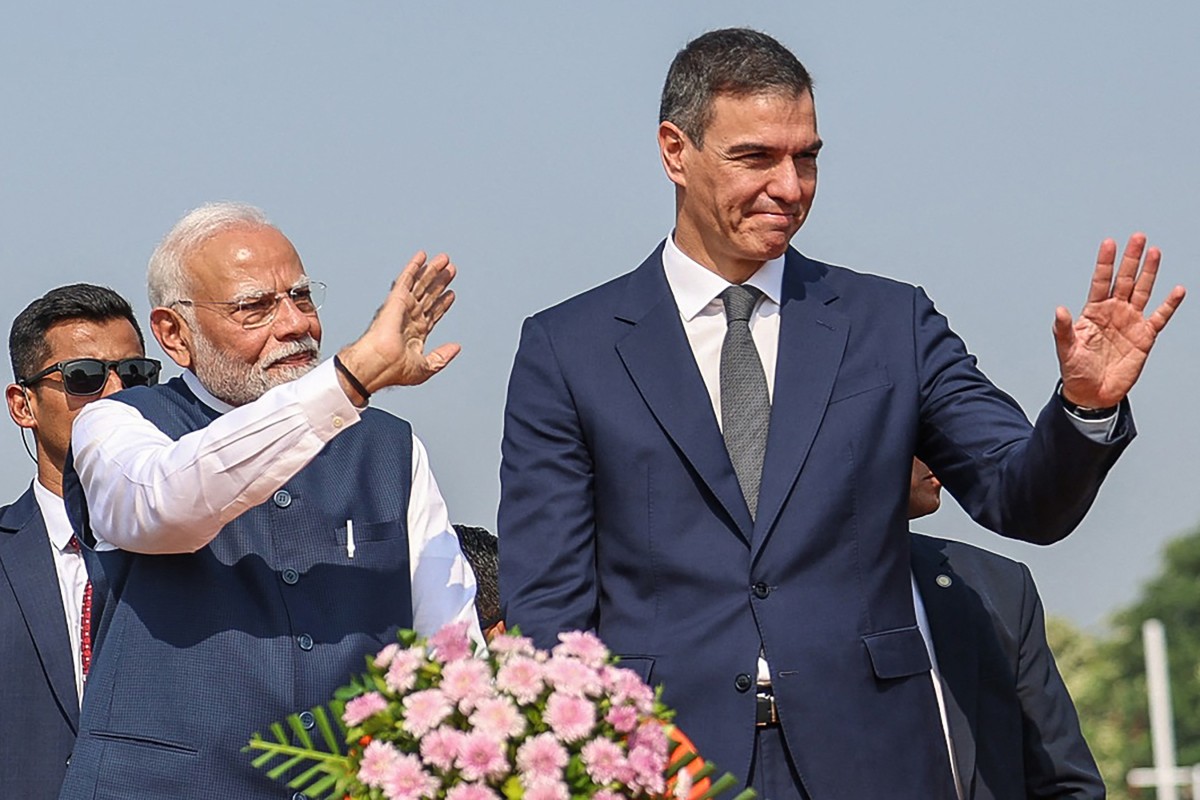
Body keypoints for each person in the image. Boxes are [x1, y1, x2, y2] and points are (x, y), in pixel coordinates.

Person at [498, 27, 1184, 799]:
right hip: (660, 764)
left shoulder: (891, 322)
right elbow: (548, 608)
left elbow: (1019, 496)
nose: (790, 187)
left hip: (876, 759)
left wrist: (1084, 408)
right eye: (756, 156)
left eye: (808, 156)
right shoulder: (569, 348)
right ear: (674, 152)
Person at [58, 202, 481, 799]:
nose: (294, 325)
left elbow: (452, 651)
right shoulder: (116, 426)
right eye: (255, 307)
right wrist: (346, 381)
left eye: (303, 299)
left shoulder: (389, 448)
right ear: (174, 335)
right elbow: (168, 506)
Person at [1, 284, 158, 799]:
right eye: (84, 378)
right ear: (23, 404)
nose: (117, 396)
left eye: (135, 374)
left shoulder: (205, 548)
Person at [908, 459, 1105, 799]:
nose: (937, 460)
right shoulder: (790, 597)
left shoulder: (997, 587)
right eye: (915, 441)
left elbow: (1064, 781)